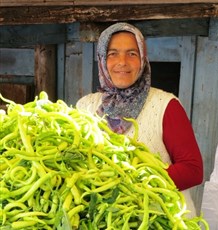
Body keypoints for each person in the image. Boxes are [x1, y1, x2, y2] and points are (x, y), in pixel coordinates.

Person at [76, 22, 203, 217]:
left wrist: (130, 183)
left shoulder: (165, 105)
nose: (122, 62)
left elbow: (192, 170)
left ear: (143, 59)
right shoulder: (85, 107)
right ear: (101, 59)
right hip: (107, 220)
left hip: (163, 219)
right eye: (113, 53)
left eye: (132, 53)